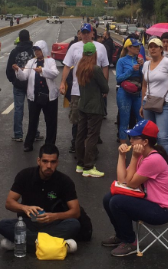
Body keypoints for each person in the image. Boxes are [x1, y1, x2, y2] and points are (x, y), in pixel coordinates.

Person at [102, 119, 168, 257]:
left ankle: (130, 242)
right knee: (108, 198)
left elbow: (130, 184)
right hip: (149, 203)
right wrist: (121, 155)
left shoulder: (152, 159)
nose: (130, 140)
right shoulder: (143, 156)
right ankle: (121, 235)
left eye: (135, 137)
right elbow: (122, 181)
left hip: (161, 211)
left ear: (145, 142)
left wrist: (134, 157)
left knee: (117, 202)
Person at [0, 144, 80, 252]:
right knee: (3, 225)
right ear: (38, 161)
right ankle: (55, 245)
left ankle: (22, 242)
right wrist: (24, 208)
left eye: (53, 162)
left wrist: (54, 216)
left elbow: (76, 211)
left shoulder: (65, 181)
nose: (49, 166)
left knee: (74, 224)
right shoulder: (25, 175)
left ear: (57, 162)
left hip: (53, 223)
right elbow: (9, 203)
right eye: (45, 161)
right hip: (29, 223)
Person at [60, 24, 109, 153]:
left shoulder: (100, 47)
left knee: (93, 121)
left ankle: (91, 148)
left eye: (88, 32)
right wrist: (62, 83)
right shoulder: (74, 47)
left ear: (92, 33)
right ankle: (75, 144)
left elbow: (105, 67)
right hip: (77, 91)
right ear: (80, 34)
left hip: (94, 92)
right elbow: (66, 66)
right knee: (77, 120)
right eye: (83, 32)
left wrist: (105, 86)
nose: (86, 35)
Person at [15, 40, 59, 152]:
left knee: (51, 122)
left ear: (43, 50)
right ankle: (28, 143)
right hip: (34, 96)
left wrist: (42, 71)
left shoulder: (50, 61)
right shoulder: (31, 62)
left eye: (38, 50)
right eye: (35, 50)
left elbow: (55, 74)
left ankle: (50, 144)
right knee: (33, 120)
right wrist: (18, 71)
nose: (36, 52)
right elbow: (24, 76)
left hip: (49, 97)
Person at [74, 42, 109, 177]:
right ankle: (89, 167)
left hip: (82, 105)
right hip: (95, 107)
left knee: (80, 135)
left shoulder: (80, 68)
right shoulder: (95, 69)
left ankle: (80, 164)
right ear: (95, 54)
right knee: (92, 137)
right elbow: (105, 87)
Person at [7, 29, 36, 143]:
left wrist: (14, 80)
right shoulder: (33, 51)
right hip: (31, 84)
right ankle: (35, 132)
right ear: (29, 38)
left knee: (18, 109)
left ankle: (18, 134)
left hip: (18, 84)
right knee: (33, 109)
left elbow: (9, 69)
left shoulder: (14, 52)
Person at [116, 38, 144, 143]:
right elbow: (118, 78)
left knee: (141, 119)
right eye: (136, 46)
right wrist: (131, 70)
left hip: (137, 93)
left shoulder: (140, 59)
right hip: (124, 93)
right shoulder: (121, 61)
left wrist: (142, 67)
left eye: (139, 46)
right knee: (124, 120)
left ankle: (141, 144)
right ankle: (123, 147)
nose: (138, 48)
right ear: (129, 48)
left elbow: (144, 78)